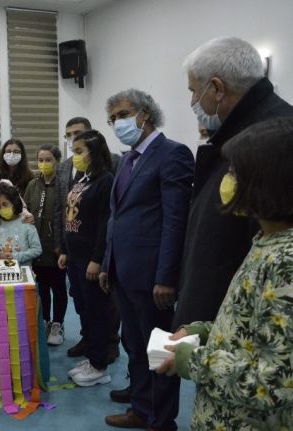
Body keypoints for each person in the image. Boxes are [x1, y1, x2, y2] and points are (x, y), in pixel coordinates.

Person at [156, 118, 293, 430]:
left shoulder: (285, 261)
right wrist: (204, 331)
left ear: (267, 181)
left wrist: (192, 359)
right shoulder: (266, 240)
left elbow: (278, 383)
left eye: (234, 171)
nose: (226, 181)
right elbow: (253, 328)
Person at [173, 36, 293, 329]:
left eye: (194, 91)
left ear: (217, 88)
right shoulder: (242, 130)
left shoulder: (273, 139)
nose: (192, 102)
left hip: (243, 319)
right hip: (219, 316)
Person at [100, 89, 194, 430]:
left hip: (153, 275)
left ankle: (161, 420)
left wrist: (166, 276)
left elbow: (175, 221)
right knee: (135, 345)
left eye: (124, 114)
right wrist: (108, 263)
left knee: (159, 349)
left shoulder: (173, 154)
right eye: (113, 118)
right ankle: (141, 409)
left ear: (146, 114)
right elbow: (117, 217)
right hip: (123, 272)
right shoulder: (127, 160)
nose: (118, 123)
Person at [55, 117, 121, 360]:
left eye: (79, 151)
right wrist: (64, 249)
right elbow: (69, 214)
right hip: (74, 256)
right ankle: (90, 346)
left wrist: (97, 259)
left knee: (97, 309)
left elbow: (105, 223)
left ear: (93, 151)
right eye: (73, 150)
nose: (75, 156)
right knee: (83, 305)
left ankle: (99, 359)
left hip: (90, 258)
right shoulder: (80, 179)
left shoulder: (106, 179)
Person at [24, 144, 68, 345]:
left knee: (58, 287)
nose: (44, 164)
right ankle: (45, 321)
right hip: (37, 246)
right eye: (40, 160)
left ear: (57, 161)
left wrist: (64, 247)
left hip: (56, 246)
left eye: (48, 160)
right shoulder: (33, 185)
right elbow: (24, 209)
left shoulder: (64, 184)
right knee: (41, 288)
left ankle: (58, 324)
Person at [0, 183, 42, 266]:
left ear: (14, 202)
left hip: (22, 270)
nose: (2, 209)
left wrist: (16, 256)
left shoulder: (26, 222)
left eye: (5, 204)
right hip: (1, 270)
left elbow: (37, 249)